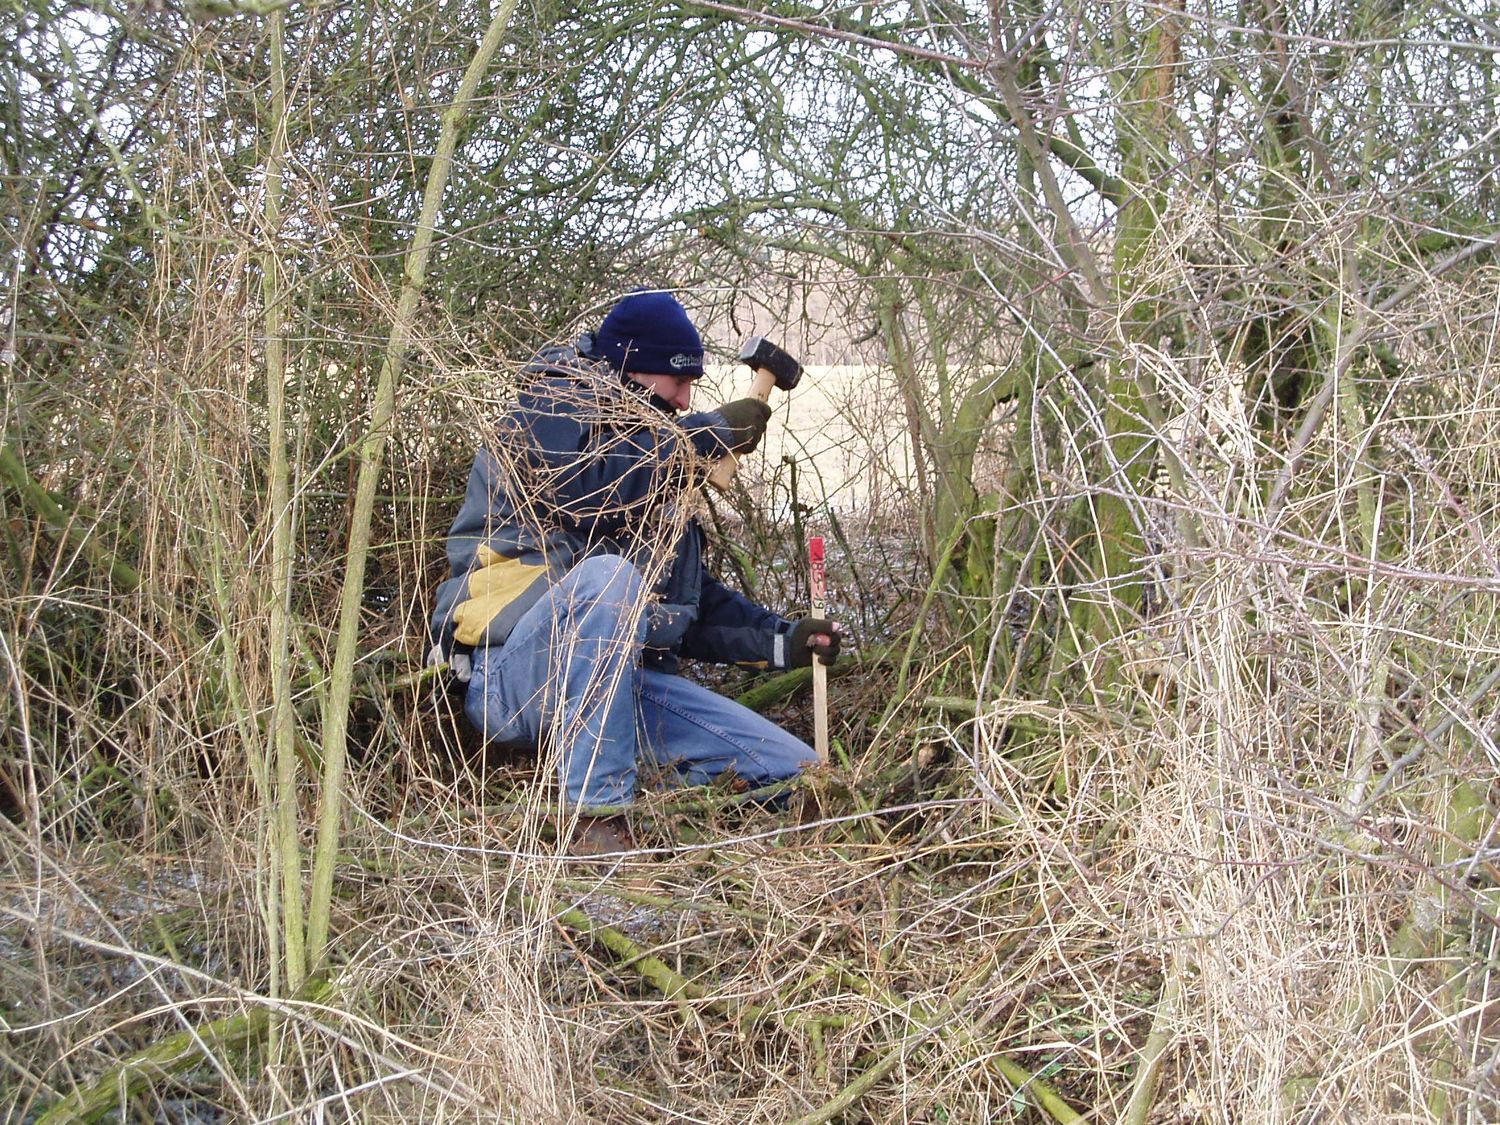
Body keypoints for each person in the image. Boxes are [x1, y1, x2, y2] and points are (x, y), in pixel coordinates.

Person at [429, 289, 841, 854]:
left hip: (611, 690)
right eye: (678, 384)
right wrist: (703, 435)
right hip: (512, 679)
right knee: (610, 579)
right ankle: (596, 818)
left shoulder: (658, 474)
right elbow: (587, 486)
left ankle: (655, 797)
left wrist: (780, 640)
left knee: (793, 768)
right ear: (633, 370)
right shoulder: (547, 414)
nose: (685, 398)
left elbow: (682, 604)